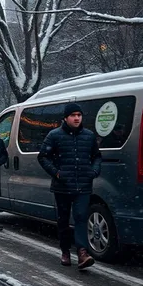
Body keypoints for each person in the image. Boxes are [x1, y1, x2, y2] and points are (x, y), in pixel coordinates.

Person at [38, 103, 101, 270]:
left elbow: (97, 156)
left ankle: (82, 252)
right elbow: (43, 157)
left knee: (81, 217)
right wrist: (57, 173)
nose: (76, 118)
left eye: (79, 115)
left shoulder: (89, 136)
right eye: (73, 115)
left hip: (83, 185)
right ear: (65, 118)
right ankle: (65, 251)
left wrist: (93, 171)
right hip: (62, 186)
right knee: (63, 220)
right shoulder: (54, 135)